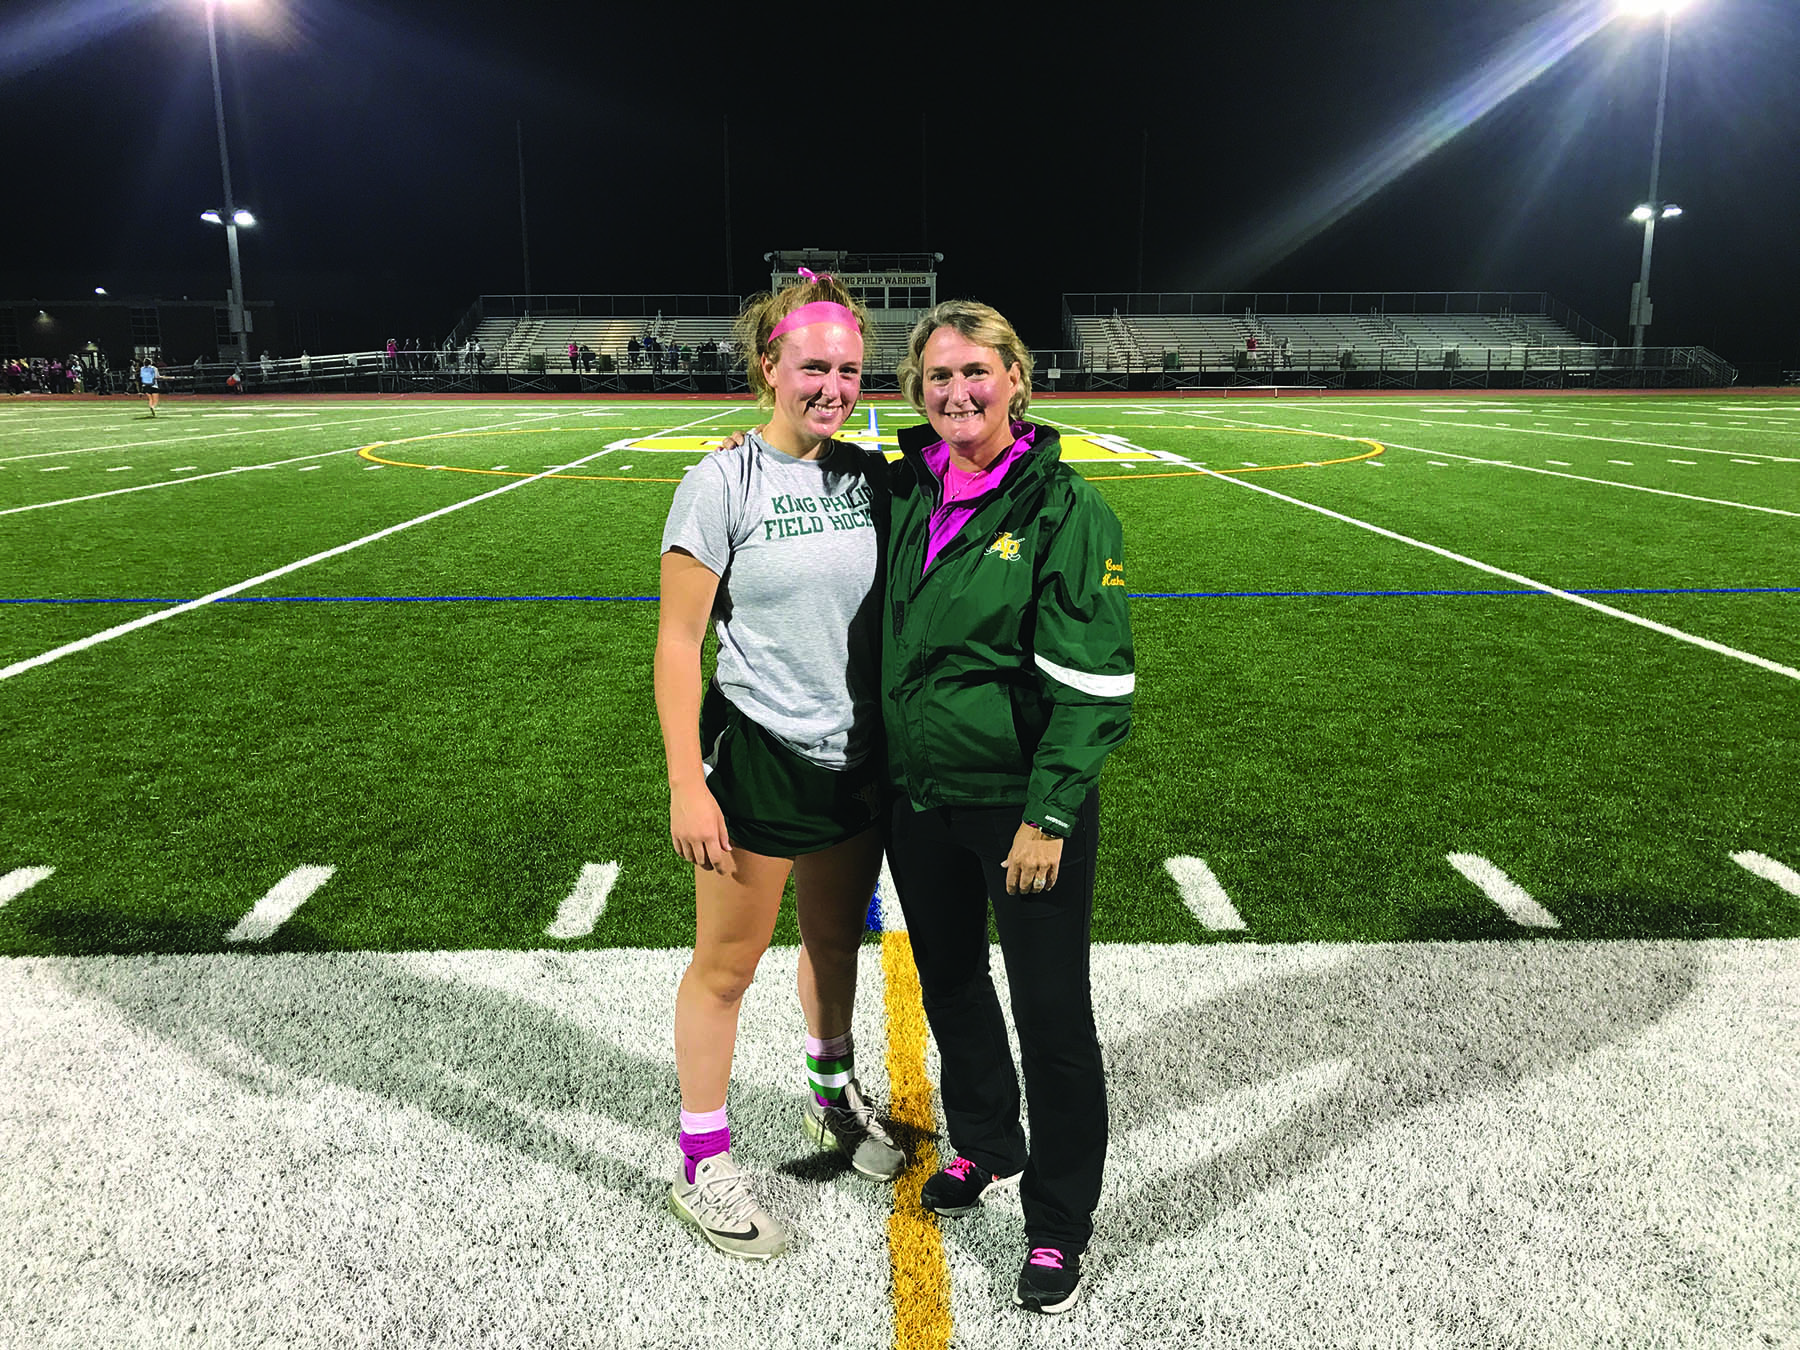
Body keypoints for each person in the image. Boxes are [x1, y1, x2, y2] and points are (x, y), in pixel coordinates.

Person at [885, 300, 1134, 1315]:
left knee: (1052, 1014)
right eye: (938, 378)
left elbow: (1098, 685)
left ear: (1017, 380)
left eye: (975, 373)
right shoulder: (902, 488)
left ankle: (1059, 1222)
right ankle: (988, 1142)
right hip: (918, 798)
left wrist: (1051, 813)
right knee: (950, 984)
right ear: (918, 391)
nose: (957, 393)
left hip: (1020, 808)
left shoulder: (1066, 509)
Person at [655, 272, 902, 1261]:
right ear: (769, 367)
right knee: (726, 968)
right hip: (757, 752)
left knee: (836, 946)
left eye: (848, 367)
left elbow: (982, 443)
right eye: (813, 366)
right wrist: (685, 779)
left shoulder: (871, 473)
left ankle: (832, 1098)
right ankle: (702, 1162)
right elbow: (678, 642)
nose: (834, 384)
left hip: (856, 758)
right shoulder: (721, 480)